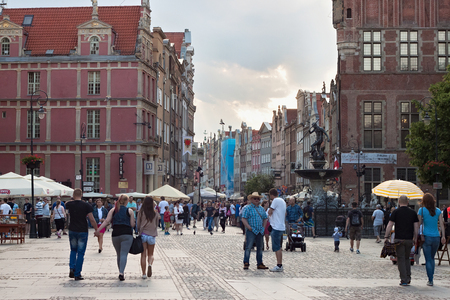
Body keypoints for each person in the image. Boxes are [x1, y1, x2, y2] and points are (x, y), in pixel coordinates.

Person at [96, 194, 135, 281]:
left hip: (116, 234)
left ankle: (120, 271)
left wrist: (98, 230)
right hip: (127, 234)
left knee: (119, 254)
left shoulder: (113, 210)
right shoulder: (130, 211)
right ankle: (121, 272)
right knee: (124, 254)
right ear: (126, 201)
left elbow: (106, 221)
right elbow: (132, 224)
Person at [384, 195, 419, 286]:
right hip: (409, 239)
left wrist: (386, 237)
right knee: (407, 258)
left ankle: (404, 279)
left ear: (399, 202)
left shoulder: (396, 212)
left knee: (401, 259)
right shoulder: (413, 212)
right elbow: (416, 227)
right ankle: (408, 277)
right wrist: (415, 238)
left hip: (399, 239)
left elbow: (389, 225)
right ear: (407, 202)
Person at [65, 188, 98, 280]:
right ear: (82, 194)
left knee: (73, 250)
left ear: (73, 195)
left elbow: (66, 215)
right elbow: (91, 219)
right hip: (82, 230)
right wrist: (96, 230)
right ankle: (77, 273)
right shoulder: (86, 205)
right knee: (80, 253)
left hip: (72, 229)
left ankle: (72, 267)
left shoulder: (69, 205)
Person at [417, 193, 446, 287]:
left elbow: (419, 224)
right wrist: (443, 236)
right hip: (436, 237)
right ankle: (431, 277)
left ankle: (430, 279)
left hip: (426, 237)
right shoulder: (438, 211)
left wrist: (418, 235)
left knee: (428, 259)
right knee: (432, 258)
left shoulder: (421, 210)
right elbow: (442, 224)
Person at [242, 192, 268, 270]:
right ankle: (246, 262)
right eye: (255, 198)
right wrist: (248, 227)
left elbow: (265, 218)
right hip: (251, 230)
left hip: (259, 230)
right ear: (251, 199)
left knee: (260, 248)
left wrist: (263, 228)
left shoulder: (261, 209)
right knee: (248, 247)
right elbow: (243, 218)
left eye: (258, 198)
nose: (257, 200)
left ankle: (259, 263)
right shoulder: (247, 208)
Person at [137, 196, 160, 279]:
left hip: (143, 235)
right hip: (152, 235)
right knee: (150, 254)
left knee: (143, 255)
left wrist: (139, 230)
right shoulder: (155, 213)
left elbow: (138, 224)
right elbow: (157, 224)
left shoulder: (141, 212)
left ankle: (143, 274)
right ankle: (150, 264)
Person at [268, 188, 286, 272]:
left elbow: (270, 211)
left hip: (276, 227)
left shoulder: (275, 201)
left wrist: (270, 214)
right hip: (281, 226)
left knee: (276, 247)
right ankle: (279, 264)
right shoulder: (282, 201)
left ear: (271, 195)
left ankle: (279, 265)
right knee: (278, 246)